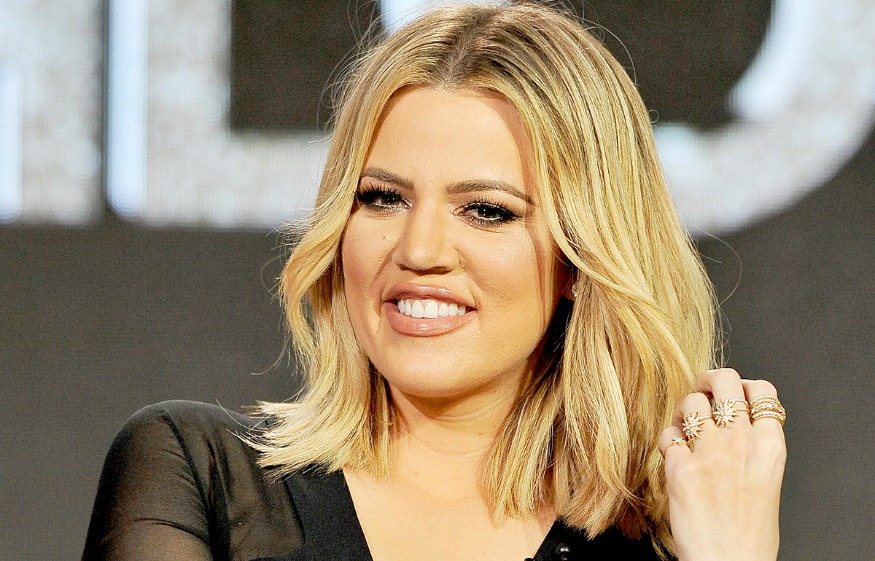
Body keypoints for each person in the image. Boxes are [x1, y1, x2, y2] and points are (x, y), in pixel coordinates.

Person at [82, 3, 786, 560]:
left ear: (580, 259)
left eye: (487, 211)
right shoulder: (202, 476)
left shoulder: (660, 542)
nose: (418, 250)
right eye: (382, 198)